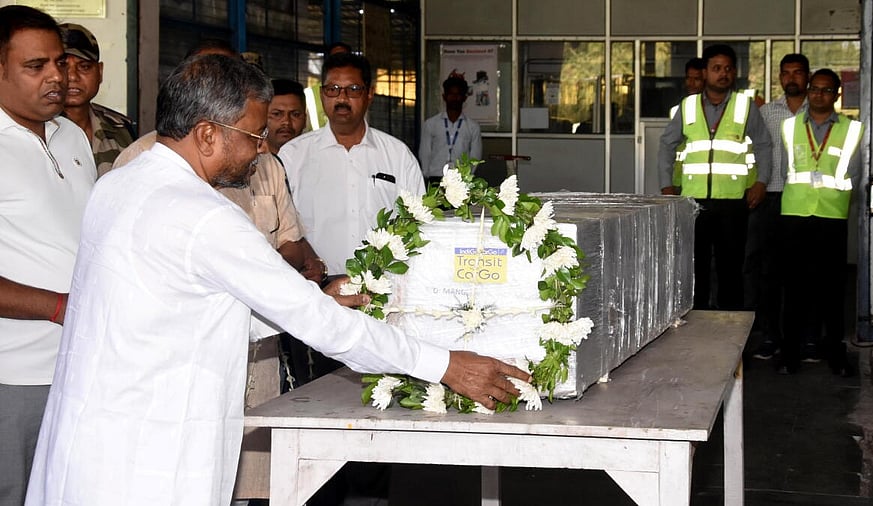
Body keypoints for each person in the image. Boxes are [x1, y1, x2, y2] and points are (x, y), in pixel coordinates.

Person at [24, 54, 528, 506]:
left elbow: (181, 313)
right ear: (207, 134)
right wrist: (444, 365)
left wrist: (315, 294)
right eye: (253, 134)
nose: (262, 149)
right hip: (151, 458)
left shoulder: (121, 185)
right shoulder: (204, 215)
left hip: (89, 446)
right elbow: (326, 330)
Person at [111, 43, 325, 503]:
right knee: (185, 477)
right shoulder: (143, 163)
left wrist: (302, 273)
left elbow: (289, 237)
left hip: (258, 359)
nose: (262, 143)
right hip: (182, 369)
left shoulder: (263, 163)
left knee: (249, 479)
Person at [0, 6, 96, 505]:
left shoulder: (71, 134)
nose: (57, 77)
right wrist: (61, 308)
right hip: (12, 376)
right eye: (35, 67)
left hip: (80, 368)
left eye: (59, 63)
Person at [280, 52, 425, 277]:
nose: (342, 98)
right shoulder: (293, 155)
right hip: (316, 290)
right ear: (322, 94)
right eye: (333, 89)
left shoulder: (398, 155)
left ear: (369, 95)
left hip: (385, 288)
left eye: (353, 90)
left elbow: (419, 225)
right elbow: (281, 229)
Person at [657, 44, 773, 311]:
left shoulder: (745, 106)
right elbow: (667, 145)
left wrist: (761, 182)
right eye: (716, 68)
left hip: (733, 201)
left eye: (728, 68)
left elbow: (765, 145)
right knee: (694, 266)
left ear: (734, 73)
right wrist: (666, 185)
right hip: (693, 202)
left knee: (731, 267)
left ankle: (729, 328)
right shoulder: (687, 107)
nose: (723, 74)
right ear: (705, 72)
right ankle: (695, 321)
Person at [777, 69, 862, 376]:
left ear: (836, 95)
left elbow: (857, 175)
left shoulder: (853, 130)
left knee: (831, 289)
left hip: (831, 215)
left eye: (827, 91)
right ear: (808, 91)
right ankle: (790, 354)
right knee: (794, 287)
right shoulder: (789, 127)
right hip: (795, 214)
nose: (819, 95)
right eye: (815, 89)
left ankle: (835, 355)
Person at [750, 53, 810, 362]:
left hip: (807, 202)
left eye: (797, 73)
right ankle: (771, 337)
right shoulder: (766, 112)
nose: (791, 79)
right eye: (786, 73)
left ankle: (805, 339)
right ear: (779, 78)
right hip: (772, 198)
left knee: (804, 273)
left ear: (807, 76)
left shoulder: (819, 112)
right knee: (770, 273)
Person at [58, 23, 135, 177]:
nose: (72, 76)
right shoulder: (35, 130)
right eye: (63, 66)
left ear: (99, 72)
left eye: (84, 66)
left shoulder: (120, 128)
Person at [419, 74, 482, 187]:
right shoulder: (431, 124)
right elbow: (425, 151)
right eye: (451, 94)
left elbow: (475, 156)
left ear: (464, 97)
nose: (455, 98)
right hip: (436, 177)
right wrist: (427, 175)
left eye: (458, 95)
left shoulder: (473, 127)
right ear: (444, 96)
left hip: (461, 179)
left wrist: (468, 175)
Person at [665, 57, 706, 194]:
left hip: (706, 181)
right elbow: (668, 146)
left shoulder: (716, 110)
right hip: (680, 181)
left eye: (697, 79)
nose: (691, 83)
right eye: (688, 78)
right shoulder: (679, 109)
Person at [267, 78, 307, 155]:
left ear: (305, 120)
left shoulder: (317, 160)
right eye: (277, 114)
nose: (286, 122)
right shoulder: (248, 162)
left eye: (295, 115)